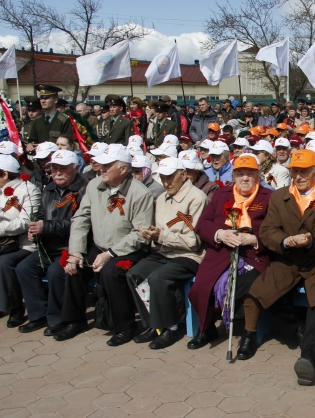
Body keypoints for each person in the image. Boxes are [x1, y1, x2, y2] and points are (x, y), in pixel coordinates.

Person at [243, 150, 315, 385]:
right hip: (288, 259)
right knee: (262, 292)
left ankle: (310, 360)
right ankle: (293, 330)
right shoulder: (280, 197)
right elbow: (268, 230)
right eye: (294, 171)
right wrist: (284, 241)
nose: (298, 176)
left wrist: (312, 241)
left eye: (303, 171)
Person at [61, 144, 154, 344]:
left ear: (123, 168)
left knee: (112, 272)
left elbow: (141, 234)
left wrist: (111, 253)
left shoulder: (140, 193)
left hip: (129, 249)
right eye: (101, 164)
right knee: (74, 266)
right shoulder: (94, 185)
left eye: (107, 165)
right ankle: (74, 320)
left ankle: (125, 326)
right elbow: (81, 218)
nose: (101, 169)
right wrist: (76, 251)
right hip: (99, 245)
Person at [186, 155, 274, 350]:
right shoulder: (221, 195)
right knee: (199, 288)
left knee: (245, 287)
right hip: (221, 253)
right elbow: (203, 224)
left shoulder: (268, 197)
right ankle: (206, 327)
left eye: (250, 174)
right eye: (240, 174)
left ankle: (248, 334)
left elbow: (276, 229)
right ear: (233, 176)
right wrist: (220, 234)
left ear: (258, 176)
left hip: (254, 255)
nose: (245, 178)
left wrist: (254, 239)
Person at [122, 158, 207, 349]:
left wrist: (161, 236)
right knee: (134, 274)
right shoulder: (161, 199)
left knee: (159, 278)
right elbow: (160, 232)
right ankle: (155, 324)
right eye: (163, 178)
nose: (166, 182)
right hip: (165, 251)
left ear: (183, 175)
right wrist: (151, 234)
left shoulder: (197, 198)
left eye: (170, 177)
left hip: (190, 256)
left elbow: (193, 242)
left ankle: (171, 327)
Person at [15, 150, 88, 334]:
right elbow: (41, 215)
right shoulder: (49, 189)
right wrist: (34, 230)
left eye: (63, 168)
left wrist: (45, 227)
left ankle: (58, 318)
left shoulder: (84, 190)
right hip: (49, 246)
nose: (57, 173)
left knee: (56, 272)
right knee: (24, 268)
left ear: (75, 168)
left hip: (71, 247)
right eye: (54, 168)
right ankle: (38, 315)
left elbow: (79, 223)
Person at [0, 155, 42, 325]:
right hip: (0, 242)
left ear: (4, 173)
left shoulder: (29, 190)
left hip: (23, 244)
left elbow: (25, 222)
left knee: (3, 262)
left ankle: (15, 308)